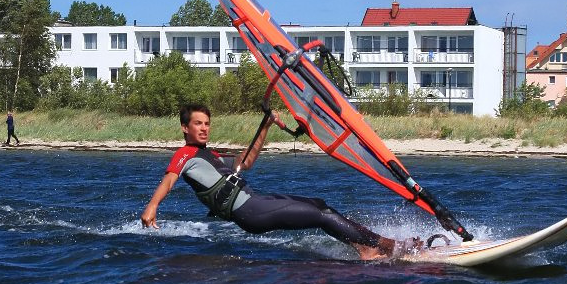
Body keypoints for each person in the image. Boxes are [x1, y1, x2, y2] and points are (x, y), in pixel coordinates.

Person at [141, 104, 421, 260]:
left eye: (206, 124)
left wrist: (266, 125)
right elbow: (169, 180)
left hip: (255, 201)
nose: (203, 128)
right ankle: (378, 247)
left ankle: (372, 245)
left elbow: (245, 163)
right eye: (198, 124)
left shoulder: (209, 155)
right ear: (185, 127)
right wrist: (152, 206)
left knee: (319, 205)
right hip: (248, 211)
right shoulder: (184, 155)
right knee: (320, 215)